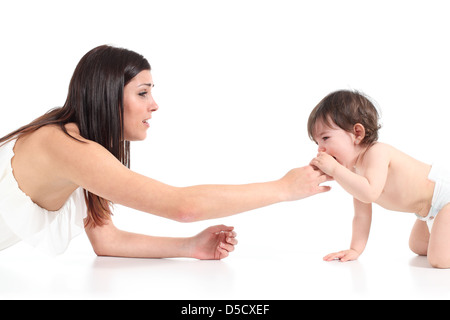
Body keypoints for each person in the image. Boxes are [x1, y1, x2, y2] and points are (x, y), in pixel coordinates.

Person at [0, 45, 330, 259]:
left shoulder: (80, 147)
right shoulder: (64, 146)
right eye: (142, 93)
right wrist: (284, 188)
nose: (154, 105)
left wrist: (189, 246)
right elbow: (183, 206)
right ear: (108, 96)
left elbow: (107, 241)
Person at [308, 89, 450, 269]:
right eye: (317, 143)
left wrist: (336, 170)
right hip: (429, 211)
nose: (321, 149)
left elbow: (370, 193)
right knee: (418, 246)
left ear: (357, 133)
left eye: (325, 138)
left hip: (445, 197)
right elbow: (361, 215)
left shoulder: (377, 152)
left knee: (439, 260)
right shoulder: (356, 173)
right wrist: (355, 249)